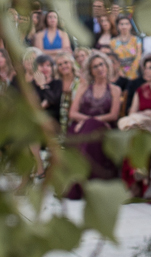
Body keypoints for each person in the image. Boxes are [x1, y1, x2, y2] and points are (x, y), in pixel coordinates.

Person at [67, 53, 123, 188]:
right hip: (80, 126)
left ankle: (87, 179)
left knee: (93, 128)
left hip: (104, 126)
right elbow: (72, 113)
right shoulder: (83, 87)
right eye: (95, 66)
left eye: (101, 64)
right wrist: (87, 121)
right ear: (91, 71)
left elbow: (113, 115)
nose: (99, 68)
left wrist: (93, 121)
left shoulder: (115, 89)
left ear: (107, 66)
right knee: (86, 129)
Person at [110, 14, 142, 83]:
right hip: (119, 75)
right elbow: (112, 59)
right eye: (121, 24)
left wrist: (132, 73)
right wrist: (119, 72)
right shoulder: (112, 42)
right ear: (118, 26)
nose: (124, 26)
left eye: (126, 24)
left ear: (130, 26)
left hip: (134, 74)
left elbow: (138, 56)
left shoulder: (136, 40)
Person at [31, 54, 63, 119]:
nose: (45, 68)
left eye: (48, 65)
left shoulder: (58, 83)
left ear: (52, 68)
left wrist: (43, 85)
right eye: (41, 65)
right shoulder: (30, 85)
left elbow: (53, 100)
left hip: (53, 120)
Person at [54, 52, 80, 130]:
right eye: (60, 64)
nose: (63, 66)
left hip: (76, 120)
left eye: (66, 62)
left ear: (71, 64)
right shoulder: (56, 83)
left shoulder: (80, 81)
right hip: (59, 122)